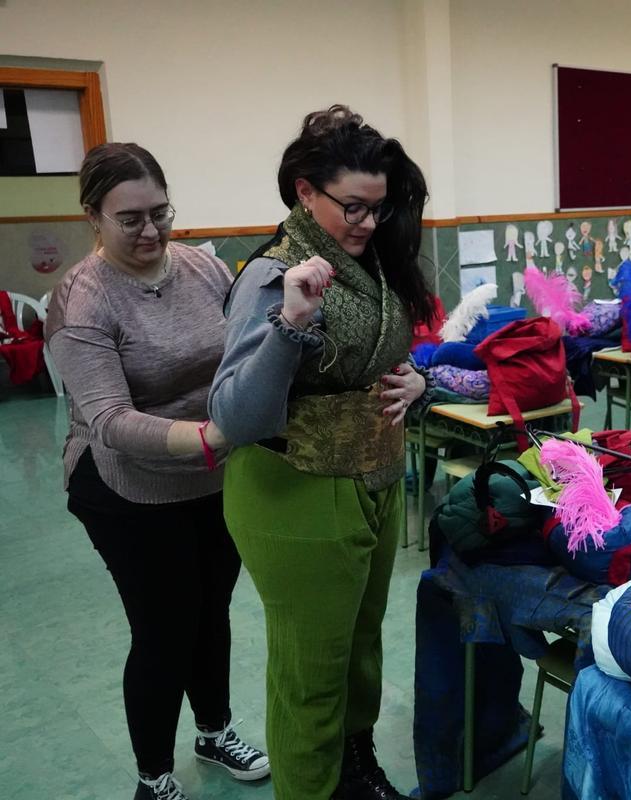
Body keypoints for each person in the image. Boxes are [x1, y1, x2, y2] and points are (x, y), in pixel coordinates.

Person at [209, 106, 433, 800]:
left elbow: (386, 355)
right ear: (305, 191)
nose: (368, 222)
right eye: (352, 207)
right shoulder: (271, 275)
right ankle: (311, 787)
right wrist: (290, 323)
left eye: (378, 206)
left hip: (373, 479)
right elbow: (233, 416)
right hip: (294, 490)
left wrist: (419, 383)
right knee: (311, 669)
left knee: (360, 651)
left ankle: (353, 772)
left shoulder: (374, 263)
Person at [45, 143, 269, 800]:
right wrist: (215, 433)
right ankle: (153, 776)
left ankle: (214, 731)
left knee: (213, 610)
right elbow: (110, 419)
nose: (150, 232)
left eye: (160, 213)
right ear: (94, 217)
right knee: (165, 626)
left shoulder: (202, 267)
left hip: (213, 474)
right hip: (125, 486)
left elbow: (246, 348)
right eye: (130, 220)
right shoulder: (82, 301)